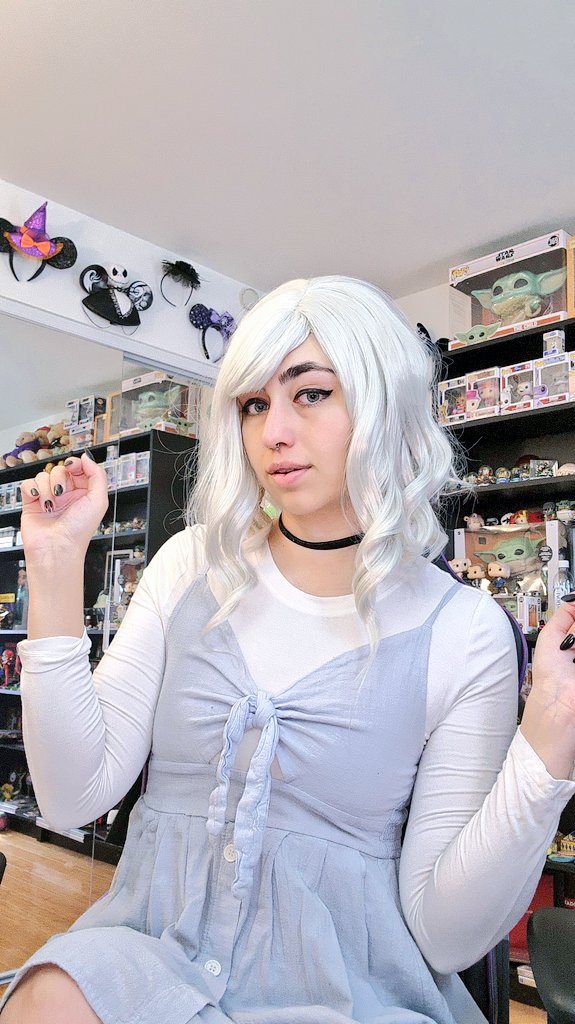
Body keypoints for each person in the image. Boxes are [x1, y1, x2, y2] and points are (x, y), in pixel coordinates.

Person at [2, 275, 575, 1024]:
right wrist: (53, 569)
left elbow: (447, 936)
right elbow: (72, 797)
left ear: (381, 401)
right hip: (153, 951)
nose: (273, 431)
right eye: (253, 404)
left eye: (310, 393)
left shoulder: (463, 631)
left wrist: (548, 742)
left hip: (345, 992)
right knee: (50, 995)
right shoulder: (189, 566)